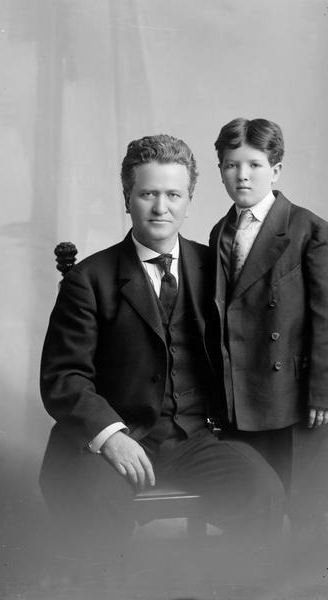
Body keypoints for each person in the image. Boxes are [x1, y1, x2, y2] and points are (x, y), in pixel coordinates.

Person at [39, 134, 283, 582]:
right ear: (127, 198)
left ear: (189, 199)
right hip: (118, 441)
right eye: (148, 193)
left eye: (173, 194)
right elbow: (64, 376)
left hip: (193, 438)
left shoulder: (216, 269)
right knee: (92, 511)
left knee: (262, 491)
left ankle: (230, 591)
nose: (160, 208)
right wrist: (110, 437)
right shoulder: (89, 280)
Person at [209, 118, 328, 537]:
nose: (242, 175)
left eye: (253, 163)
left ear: (277, 169)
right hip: (241, 396)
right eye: (231, 165)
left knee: (304, 512)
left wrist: (324, 393)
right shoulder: (220, 231)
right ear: (221, 170)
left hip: (293, 395)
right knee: (253, 510)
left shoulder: (309, 229)